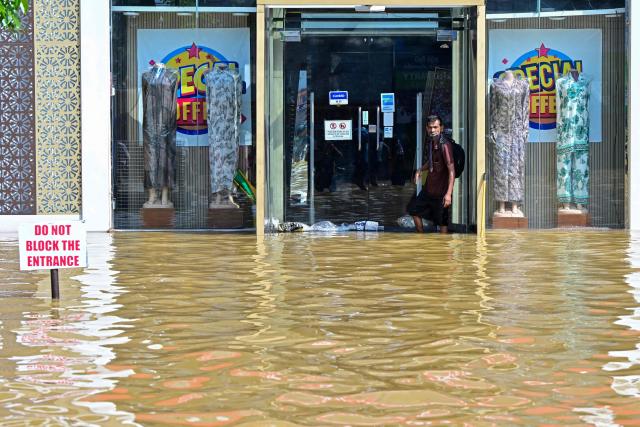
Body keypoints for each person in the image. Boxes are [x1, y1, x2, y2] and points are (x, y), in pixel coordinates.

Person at [406, 115, 455, 233]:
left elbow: (452, 170)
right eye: (430, 127)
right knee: (413, 210)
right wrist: (420, 170)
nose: (432, 130)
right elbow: (432, 161)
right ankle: (422, 240)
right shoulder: (432, 143)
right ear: (427, 128)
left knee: (442, 223)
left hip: (441, 194)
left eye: (435, 127)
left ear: (441, 128)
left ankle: (443, 248)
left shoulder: (445, 146)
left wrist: (448, 194)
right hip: (428, 191)